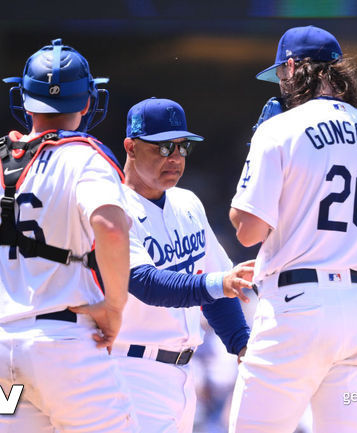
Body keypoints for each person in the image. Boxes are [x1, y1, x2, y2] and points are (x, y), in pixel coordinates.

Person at [0, 39, 137, 432]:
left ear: (22, 98)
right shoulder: (85, 157)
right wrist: (115, 307)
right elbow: (111, 227)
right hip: (66, 342)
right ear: (88, 101)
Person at [228, 26, 357, 433]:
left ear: (292, 67)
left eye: (280, 73)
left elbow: (248, 231)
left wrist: (257, 147)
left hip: (297, 306)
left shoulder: (280, 130)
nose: (281, 82)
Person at [93, 96, 252, 432]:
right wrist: (217, 283)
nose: (176, 158)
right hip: (128, 370)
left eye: (183, 147)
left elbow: (217, 291)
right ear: (131, 147)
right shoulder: (110, 208)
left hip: (181, 376)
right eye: (164, 148)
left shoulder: (188, 202)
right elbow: (146, 283)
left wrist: (241, 343)